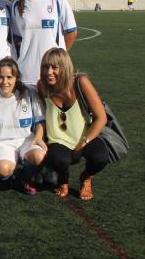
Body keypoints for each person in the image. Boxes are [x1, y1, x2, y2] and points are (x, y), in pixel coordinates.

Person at [37, 48, 109, 201]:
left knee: (100, 157)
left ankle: (86, 177)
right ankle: (63, 178)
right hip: (59, 140)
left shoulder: (80, 82)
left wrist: (83, 143)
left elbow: (101, 117)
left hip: (85, 137)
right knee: (58, 159)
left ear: (64, 67)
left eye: (54, 67)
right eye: (45, 67)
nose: (49, 72)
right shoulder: (42, 87)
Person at [11, 0, 78, 85]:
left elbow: (72, 32)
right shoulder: (17, 3)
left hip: (53, 74)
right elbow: (17, 39)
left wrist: (58, 60)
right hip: (26, 74)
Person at [0, 57, 46, 195]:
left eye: (9, 77)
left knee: (38, 157)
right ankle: (11, 174)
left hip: (26, 140)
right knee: (2, 170)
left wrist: (39, 137)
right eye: (0, 77)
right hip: (2, 143)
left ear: (16, 77)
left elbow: (40, 120)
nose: (5, 82)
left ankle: (25, 177)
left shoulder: (29, 93)